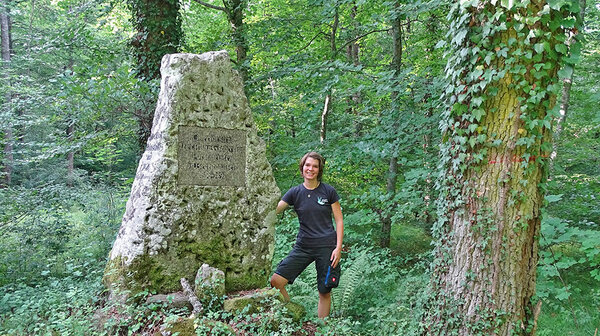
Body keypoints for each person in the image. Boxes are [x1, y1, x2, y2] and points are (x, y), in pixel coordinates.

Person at [270, 151, 344, 318]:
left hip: (327, 247)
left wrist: (338, 247)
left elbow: (339, 220)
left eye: (315, 166)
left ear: (319, 170)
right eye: (307, 165)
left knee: (324, 291)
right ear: (302, 167)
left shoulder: (328, 191)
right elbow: (273, 210)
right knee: (276, 281)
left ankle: (321, 328)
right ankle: (295, 316)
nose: (310, 169)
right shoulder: (295, 192)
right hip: (303, 246)